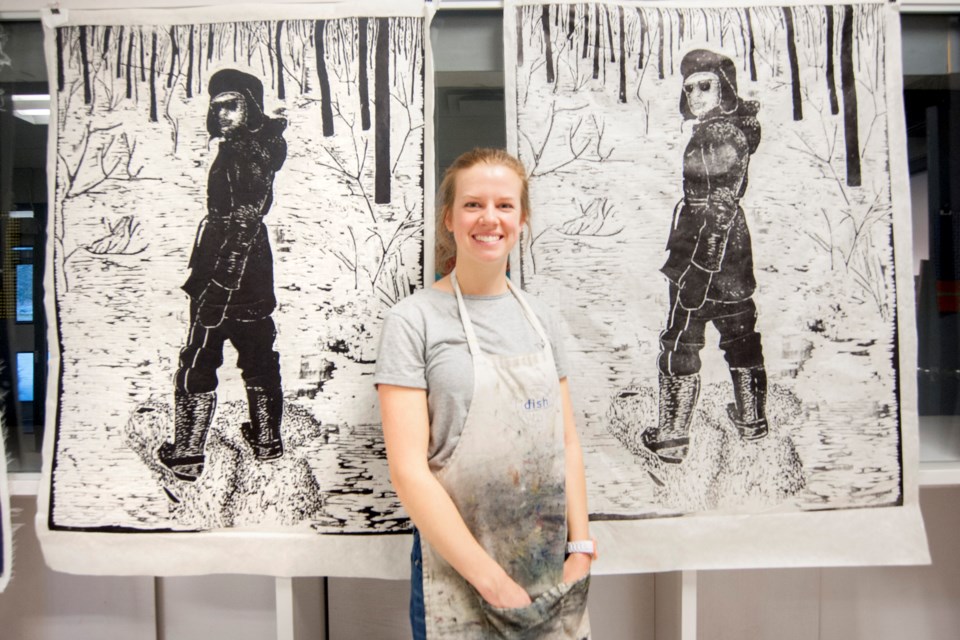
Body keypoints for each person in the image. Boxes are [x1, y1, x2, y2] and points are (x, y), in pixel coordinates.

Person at [376, 148, 593, 638]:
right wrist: (492, 582)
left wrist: (581, 548)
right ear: (449, 219)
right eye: (473, 205)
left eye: (504, 205)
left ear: (523, 219)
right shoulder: (413, 321)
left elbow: (568, 445)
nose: (489, 218)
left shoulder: (543, 319)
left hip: (550, 565)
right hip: (458, 568)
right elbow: (409, 472)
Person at [158, 69, 287, 482]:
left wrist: (220, 284)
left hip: (228, 266)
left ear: (251, 105)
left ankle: (187, 454)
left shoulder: (243, 154)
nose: (222, 113)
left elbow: (244, 223)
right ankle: (266, 442)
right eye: (217, 107)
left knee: (201, 352)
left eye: (232, 104)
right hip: (250, 270)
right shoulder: (256, 147)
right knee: (257, 352)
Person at [642, 49, 768, 464]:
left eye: (705, 85)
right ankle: (751, 423)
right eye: (689, 88)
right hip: (728, 251)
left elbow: (719, 206)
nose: (695, 94)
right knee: (740, 331)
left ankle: (673, 437)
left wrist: (699, 266)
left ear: (724, 89)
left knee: (682, 337)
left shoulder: (718, 135)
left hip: (706, 249)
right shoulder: (726, 130)